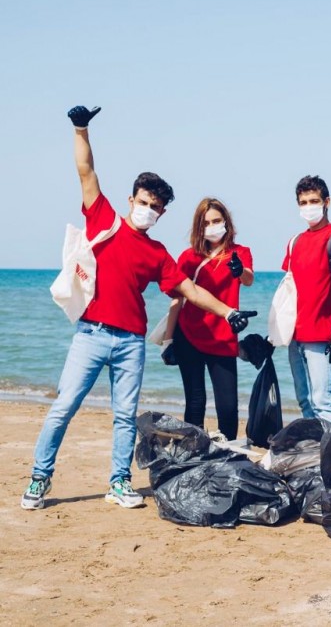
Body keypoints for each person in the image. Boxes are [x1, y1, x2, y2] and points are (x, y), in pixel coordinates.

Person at [21, 106, 255, 511]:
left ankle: (119, 482)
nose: (149, 209)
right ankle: (40, 478)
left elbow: (190, 290)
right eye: (145, 201)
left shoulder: (157, 253)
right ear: (132, 199)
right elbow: (86, 172)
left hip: (130, 342)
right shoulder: (104, 220)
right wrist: (81, 130)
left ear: (162, 212)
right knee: (63, 408)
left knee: (125, 417)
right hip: (91, 335)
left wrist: (226, 312)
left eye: (157, 207)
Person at [161, 198, 254, 441]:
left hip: (223, 337)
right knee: (194, 402)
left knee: (228, 407)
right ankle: (194, 456)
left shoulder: (240, 253)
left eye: (216, 221)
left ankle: (228, 457)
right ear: (199, 228)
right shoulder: (189, 257)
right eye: (206, 223)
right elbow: (177, 300)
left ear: (226, 221)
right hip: (188, 334)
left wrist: (239, 270)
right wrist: (168, 340)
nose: (212, 226)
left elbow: (248, 278)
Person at [282, 175, 331, 424]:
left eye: (313, 201)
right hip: (294, 335)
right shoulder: (295, 242)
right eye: (303, 202)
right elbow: (287, 291)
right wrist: (276, 332)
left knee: (323, 401)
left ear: (327, 202)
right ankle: (316, 452)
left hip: (322, 336)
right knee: (304, 400)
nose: (308, 207)